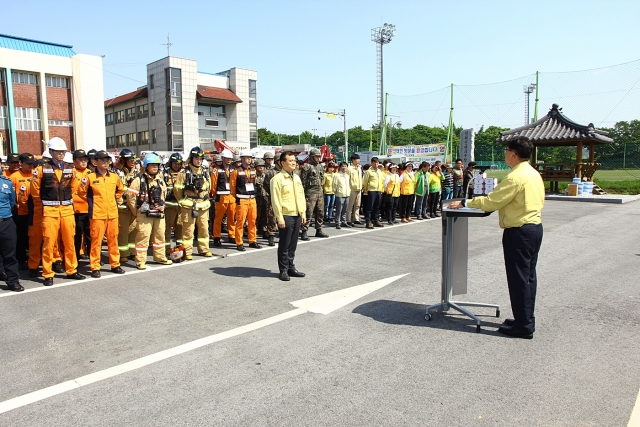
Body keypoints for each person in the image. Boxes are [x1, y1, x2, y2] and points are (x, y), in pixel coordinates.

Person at [448, 136, 544, 339]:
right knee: (527, 278)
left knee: (519, 280)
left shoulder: (515, 177)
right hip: (534, 228)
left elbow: (492, 202)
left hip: (519, 231)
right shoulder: (533, 173)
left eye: (507, 150)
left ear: (514, 154)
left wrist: (466, 202)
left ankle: (524, 326)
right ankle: (524, 319)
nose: (505, 154)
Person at [30, 137, 85, 286]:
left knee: (69, 241)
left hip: (67, 209)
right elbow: (35, 191)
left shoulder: (70, 168)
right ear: (51, 152)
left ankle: (72, 269)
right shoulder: (41, 169)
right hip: (49, 210)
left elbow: (74, 186)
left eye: (63, 152)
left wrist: (67, 199)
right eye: (58, 152)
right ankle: (48, 273)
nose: (61, 154)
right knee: (49, 242)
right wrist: (44, 205)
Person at [82, 150, 125, 278]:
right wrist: (91, 204)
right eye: (103, 160)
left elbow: (121, 189)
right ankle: (95, 267)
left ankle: (115, 264)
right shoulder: (90, 177)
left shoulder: (114, 176)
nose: (106, 162)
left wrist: (115, 200)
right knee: (96, 241)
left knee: (113, 240)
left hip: (112, 213)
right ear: (95, 162)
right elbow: (81, 192)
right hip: (97, 214)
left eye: (107, 160)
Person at [129, 153, 173, 269]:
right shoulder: (138, 180)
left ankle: (160, 257)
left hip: (158, 212)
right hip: (144, 214)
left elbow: (163, 195)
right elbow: (131, 198)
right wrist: (137, 212)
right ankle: (141, 261)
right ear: (146, 166)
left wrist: (161, 207)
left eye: (157, 165)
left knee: (160, 235)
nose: (155, 167)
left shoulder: (160, 180)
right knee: (143, 236)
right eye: (152, 165)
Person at [270, 151, 306, 281]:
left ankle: (291, 267)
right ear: (282, 163)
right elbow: (276, 200)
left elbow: (301, 196)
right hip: (285, 215)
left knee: (293, 244)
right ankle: (283, 270)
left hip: (297, 214)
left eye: (294, 160)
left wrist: (303, 212)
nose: (293, 163)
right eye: (290, 161)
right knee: (284, 244)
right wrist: (279, 217)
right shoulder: (277, 179)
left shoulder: (296, 177)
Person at [174, 147, 213, 259]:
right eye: (196, 158)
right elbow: (177, 190)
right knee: (188, 231)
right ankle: (188, 252)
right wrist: (183, 202)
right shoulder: (184, 173)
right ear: (191, 159)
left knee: (204, 230)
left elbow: (208, 187)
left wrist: (203, 197)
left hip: (203, 205)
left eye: (200, 158)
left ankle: (204, 250)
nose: (199, 160)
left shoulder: (205, 172)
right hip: (189, 206)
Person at [230, 149, 262, 251]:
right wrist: (238, 197)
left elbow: (254, 183)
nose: (249, 160)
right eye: (248, 158)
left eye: (250, 158)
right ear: (242, 158)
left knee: (252, 221)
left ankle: (252, 240)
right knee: (240, 222)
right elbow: (232, 187)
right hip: (242, 199)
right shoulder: (236, 171)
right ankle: (239, 242)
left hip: (252, 199)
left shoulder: (253, 170)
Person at [10, 153, 35, 269]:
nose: (30, 166)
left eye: (32, 164)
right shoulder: (14, 177)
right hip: (20, 212)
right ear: (21, 163)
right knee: (21, 237)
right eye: (28, 164)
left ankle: (33, 257)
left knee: (33, 236)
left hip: (34, 211)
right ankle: (21, 259)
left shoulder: (35, 174)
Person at [115, 149, 139, 262]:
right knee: (123, 231)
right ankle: (123, 253)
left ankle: (132, 252)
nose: (132, 161)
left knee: (134, 229)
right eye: (130, 159)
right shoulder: (117, 172)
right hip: (123, 206)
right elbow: (116, 190)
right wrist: (120, 203)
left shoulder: (137, 172)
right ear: (123, 160)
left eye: (133, 159)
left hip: (134, 205)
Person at [0, 173, 23, 291]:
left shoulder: (6, 182)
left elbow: (11, 202)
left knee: (10, 254)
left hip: (5, 222)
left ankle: (13, 281)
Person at [300, 148, 328, 240]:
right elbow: (302, 181)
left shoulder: (320, 166)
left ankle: (318, 230)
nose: (318, 158)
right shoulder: (306, 167)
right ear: (312, 157)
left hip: (319, 191)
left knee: (320, 212)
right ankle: (304, 231)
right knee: (308, 212)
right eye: (316, 156)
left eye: (319, 156)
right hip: (310, 193)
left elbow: (322, 178)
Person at [211, 149, 236, 246]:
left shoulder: (233, 169)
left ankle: (232, 235)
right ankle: (216, 237)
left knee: (232, 218)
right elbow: (213, 185)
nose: (229, 160)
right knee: (218, 218)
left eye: (230, 158)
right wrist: (215, 194)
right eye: (227, 158)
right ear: (222, 158)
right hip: (221, 196)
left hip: (231, 197)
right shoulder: (216, 170)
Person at [72, 150, 91, 262]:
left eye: (85, 160)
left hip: (88, 208)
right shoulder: (70, 172)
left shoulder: (90, 173)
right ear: (74, 161)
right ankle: (75, 258)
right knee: (76, 235)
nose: (83, 162)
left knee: (90, 235)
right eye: (81, 159)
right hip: (75, 210)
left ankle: (93, 257)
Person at [163, 153, 184, 254]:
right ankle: (167, 249)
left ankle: (180, 248)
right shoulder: (165, 174)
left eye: (179, 163)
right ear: (171, 163)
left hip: (181, 205)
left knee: (181, 227)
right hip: (169, 205)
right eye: (175, 163)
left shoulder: (184, 173)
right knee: (167, 227)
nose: (177, 165)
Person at [362, 157, 384, 229]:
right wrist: (366, 189)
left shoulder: (379, 171)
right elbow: (365, 181)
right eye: (374, 162)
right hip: (371, 190)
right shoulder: (369, 171)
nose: (376, 163)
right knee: (370, 207)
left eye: (377, 162)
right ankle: (368, 221)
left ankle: (376, 220)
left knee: (377, 207)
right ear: (371, 163)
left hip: (378, 190)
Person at [332, 161, 351, 229]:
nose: (344, 167)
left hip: (347, 194)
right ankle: (337, 222)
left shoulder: (347, 176)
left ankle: (344, 222)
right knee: (339, 209)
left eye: (345, 166)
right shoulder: (337, 175)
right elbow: (334, 185)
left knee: (345, 209)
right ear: (340, 167)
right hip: (340, 194)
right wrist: (336, 192)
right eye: (342, 166)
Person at [346, 153, 363, 227]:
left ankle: (356, 219)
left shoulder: (359, 168)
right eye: (357, 159)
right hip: (352, 189)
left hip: (359, 189)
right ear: (353, 160)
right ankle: (348, 220)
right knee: (350, 205)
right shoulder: (349, 168)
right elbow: (347, 179)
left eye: (359, 159)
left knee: (357, 205)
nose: (358, 160)